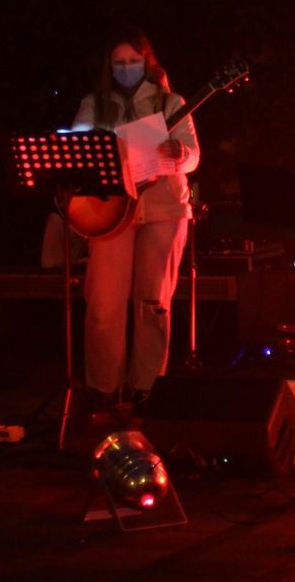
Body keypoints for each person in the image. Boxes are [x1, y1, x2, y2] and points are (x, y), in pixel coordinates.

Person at [70, 29, 199, 422]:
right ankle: (104, 389)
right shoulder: (94, 104)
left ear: (147, 62)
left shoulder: (171, 103)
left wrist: (178, 152)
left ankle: (147, 388)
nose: (126, 68)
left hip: (163, 209)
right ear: (109, 66)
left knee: (153, 303)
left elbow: (194, 156)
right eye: (119, 62)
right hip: (111, 211)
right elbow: (77, 148)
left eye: (133, 61)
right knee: (104, 302)